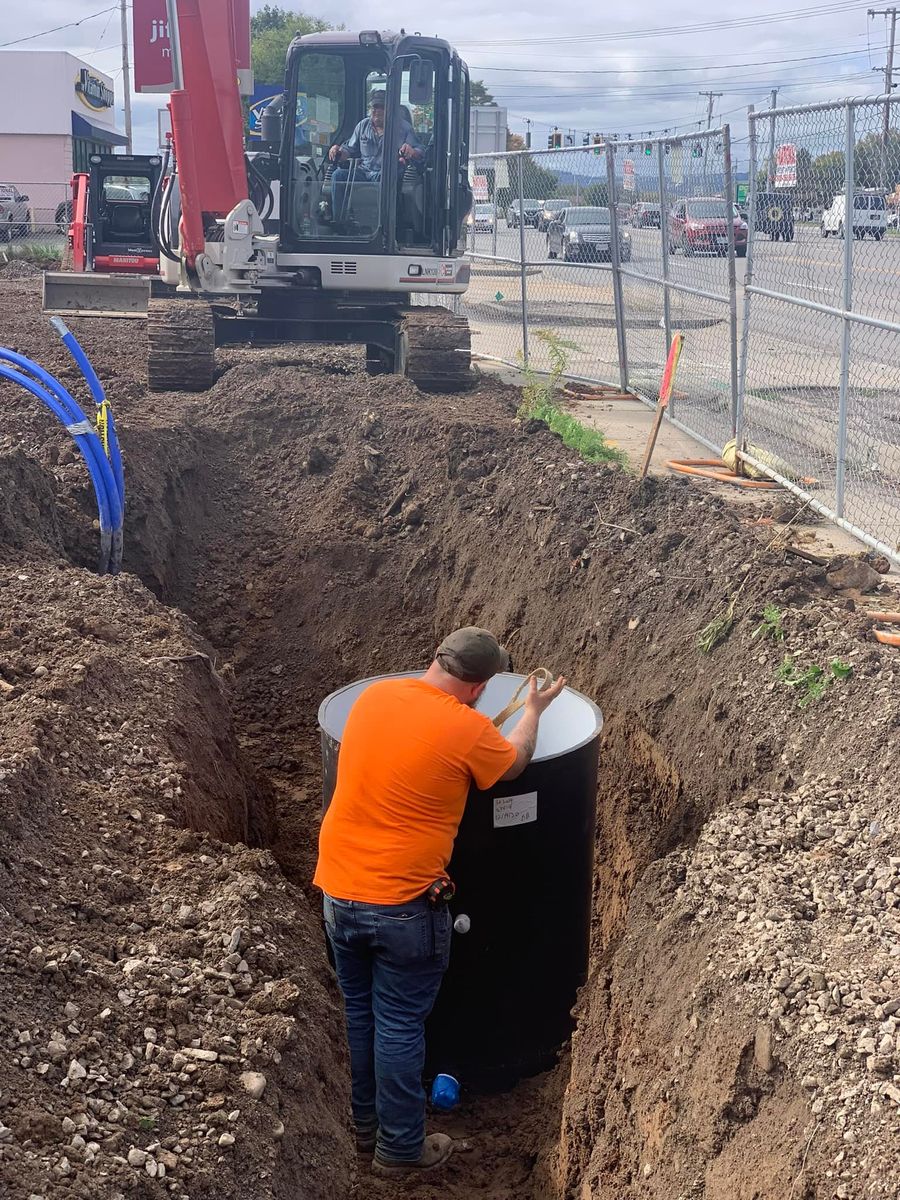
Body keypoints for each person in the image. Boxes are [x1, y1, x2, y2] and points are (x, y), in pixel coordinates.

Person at [314, 628, 565, 1176]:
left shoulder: (374, 698)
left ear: (435, 660)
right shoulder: (466, 727)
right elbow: (516, 762)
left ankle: (364, 1127)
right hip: (402, 900)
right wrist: (535, 710)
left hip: (337, 886)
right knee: (400, 1023)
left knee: (360, 1014)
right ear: (478, 688)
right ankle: (401, 1150)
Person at [327, 90, 421, 223]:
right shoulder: (362, 126)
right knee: (338, 175)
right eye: (374, 107)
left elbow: (419, 151)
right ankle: (339, 222)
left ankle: (384, 225)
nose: (377, 110)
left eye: (381, 107)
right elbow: (349, 149)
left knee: (387, 177)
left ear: (390, 109)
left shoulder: (404, 128)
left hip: (387, 175)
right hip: (364, 172)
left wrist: (411, 151)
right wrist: (338, 151)